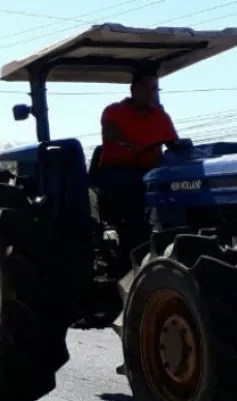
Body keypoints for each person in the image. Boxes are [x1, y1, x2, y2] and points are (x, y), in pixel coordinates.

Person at [92, 69, 179, 265]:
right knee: (133, 201)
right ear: (133, 90)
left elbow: (175, 145)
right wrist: (130, 146)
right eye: (146, 88)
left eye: (155, 88)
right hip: (120, 171)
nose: (151, 93)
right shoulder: (113, 112)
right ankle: (136, 253)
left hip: (153, 174)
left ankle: (176, 235)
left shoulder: (161, 117)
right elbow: (111, 131)